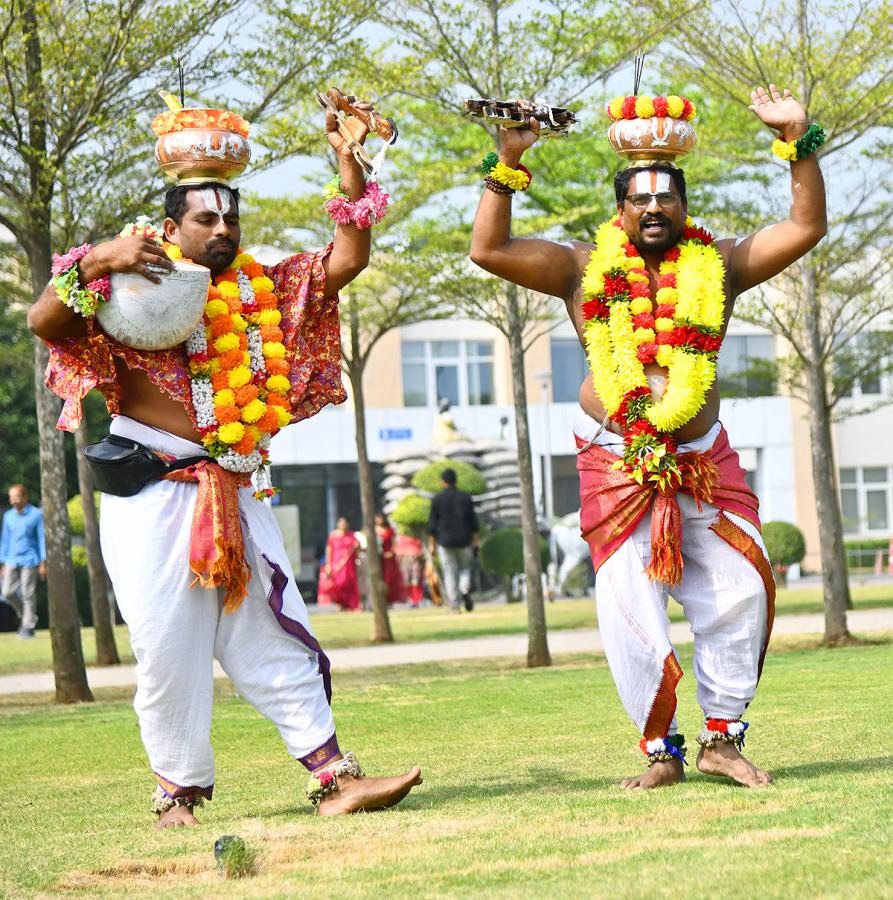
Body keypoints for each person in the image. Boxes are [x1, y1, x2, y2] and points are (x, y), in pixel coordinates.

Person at [27, 101, 421, 825]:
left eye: (229, 218)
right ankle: (176, 793)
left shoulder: (260, 287)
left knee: (272, 626)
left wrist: (350, 165)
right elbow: (45, 321)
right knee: (169, 647)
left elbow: (346, 260)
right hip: (153, 489)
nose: (221, 230)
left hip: (237, 485)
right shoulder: (125, 281)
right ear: (170, 227)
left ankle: (336, 780)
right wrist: (99, 259)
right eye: (205, 220)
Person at [469, 85, 827, 789]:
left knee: (742, 586)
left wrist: (798, 139)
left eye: (668, 197)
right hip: (616, 460)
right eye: (641, 198)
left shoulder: (717, 266)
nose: (655, 208)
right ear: (621, 206)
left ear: (684, 206)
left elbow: (803, 227)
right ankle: (660, 751)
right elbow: (488, 248)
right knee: (628, 605)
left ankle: (722, 740)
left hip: (700, 459)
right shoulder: (579, 267)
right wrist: (507, 163)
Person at [427, 468, 480, 613]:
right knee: (465, 568)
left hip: (445, 542)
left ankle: (455, 606)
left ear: (443, 482)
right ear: (455, 480)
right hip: (464, 540)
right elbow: (474, 522)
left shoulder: (437, 499)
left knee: (450, 572)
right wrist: (476, 541)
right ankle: (464, 588)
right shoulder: (465, 497)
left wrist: (431, 544)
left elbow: (432, 524)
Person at [0, 484, 46, 639]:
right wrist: (2, 562)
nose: (13, 500)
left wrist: (43, 562)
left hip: (30, 558)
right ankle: (29, 615)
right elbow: (5, 540)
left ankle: (28, 627)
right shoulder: (8, 516)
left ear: (25, 497)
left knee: (28, 592)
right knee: (7, 592)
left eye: (16, 497)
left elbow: (41, 538)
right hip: (11, 558)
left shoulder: (36, 514)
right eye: (11, 497)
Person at [317, 517, 361, 612]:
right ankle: (340, 603)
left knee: (349, 584)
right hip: (336, 564)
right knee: (338, 584)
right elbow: (329, 549)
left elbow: (357, 549)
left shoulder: (352, 535)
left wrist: (357, 547)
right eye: (341, 523)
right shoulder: (333, 536)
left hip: (349, 565)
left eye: (344, 523)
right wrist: (328, 564)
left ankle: (350, 605)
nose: (343, 525)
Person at [374, 513, 405, 605]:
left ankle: (389, 599)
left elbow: (394, 542)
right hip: (377, 558)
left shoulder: (390, 530)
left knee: (389, 578)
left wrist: (391, 552)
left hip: (388, 558)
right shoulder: (373, 530)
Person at [395, 530, 425, 606]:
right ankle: (409, 599)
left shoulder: (416, 536)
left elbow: (421, 549)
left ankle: (417, 599)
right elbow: (397, 550)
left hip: (415, 560)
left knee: (416, 580)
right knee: (406, 581)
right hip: (405, 560)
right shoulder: (401, 538)